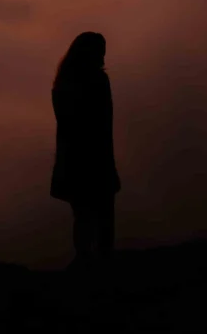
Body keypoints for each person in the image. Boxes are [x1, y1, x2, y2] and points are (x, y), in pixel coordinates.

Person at [50, 31, 121, 271]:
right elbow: (103, 122)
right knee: (102, 214)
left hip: (73, 157)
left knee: (83, 214)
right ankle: (102, 263)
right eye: (100, 50)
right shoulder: (97, 81)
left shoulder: (63, 83)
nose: (103, 55)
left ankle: (85, 261)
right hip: (95, 156)